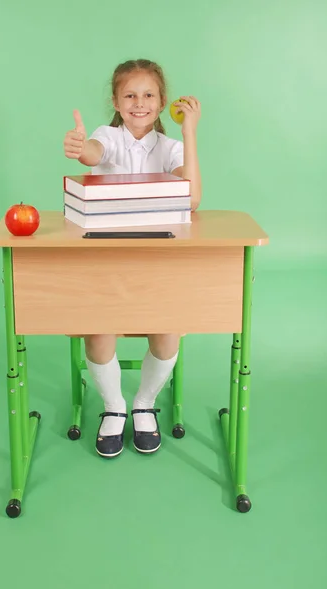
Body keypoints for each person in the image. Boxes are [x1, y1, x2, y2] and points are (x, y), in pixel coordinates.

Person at [63, 58, 202, 459]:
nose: (138, 103)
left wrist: (189, 132)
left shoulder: (172, 147)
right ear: (116, 100)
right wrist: (80, 147)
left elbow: (191, 198)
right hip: (105, 262)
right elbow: (92, 153)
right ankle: (114, 406)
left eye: (148, 95)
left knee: (167, 331)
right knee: (98, 330)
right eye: (129, 95)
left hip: (158, 264)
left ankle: (143, 402)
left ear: (161, 103)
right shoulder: (107, 135)